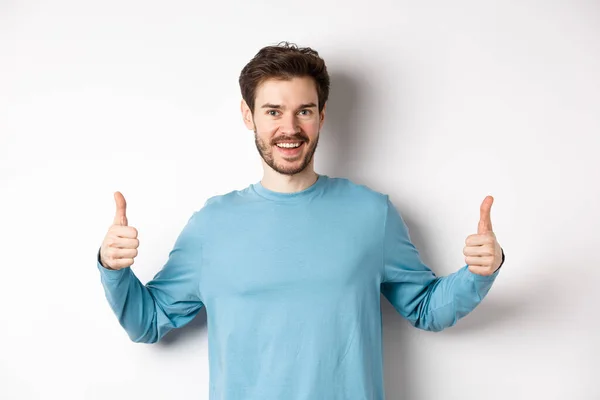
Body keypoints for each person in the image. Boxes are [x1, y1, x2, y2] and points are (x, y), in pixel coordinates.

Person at [96, 41, 505, 400]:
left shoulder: (370, 213)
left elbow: (425, 308)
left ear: (322, 116)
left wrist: (479, 272)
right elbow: (147, 322)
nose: (289, 128)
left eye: (303, 111)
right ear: (248, 115)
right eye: (273, 111)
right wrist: (114, 268)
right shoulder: (212, 225)